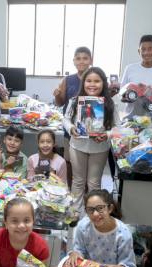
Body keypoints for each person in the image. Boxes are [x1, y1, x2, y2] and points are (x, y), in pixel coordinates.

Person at [47, 189, 136, 267]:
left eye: (100, 208)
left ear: (109, 208)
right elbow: (78, 249)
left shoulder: (123, 233)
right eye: (90, 210)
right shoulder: (83, 225)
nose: (95, 214)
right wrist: (75, 254)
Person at [63, 67, 120, 213]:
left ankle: (93, 213)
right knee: (78, 181)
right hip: (77, 146)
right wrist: (71, 129)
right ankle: (75, 213)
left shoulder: (110, 103)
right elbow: (66, 119)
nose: (92, 84)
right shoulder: (75, 101)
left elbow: (117, 127)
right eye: (88, 81)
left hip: (99, 148)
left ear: (103, 83)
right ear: (83, 83)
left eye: (97, 81)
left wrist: (106, 135)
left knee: (94, 183)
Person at [53, 46, 92, 185]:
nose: (81, 61)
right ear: (74, 61)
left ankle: (87, 193)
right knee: (69, 161)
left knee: (87, 163)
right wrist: (57, 95)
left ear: (91, 60)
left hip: (90, 129)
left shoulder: (95, 77)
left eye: (85, 58)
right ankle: (69, 188)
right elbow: (59, 103)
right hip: (70, 129)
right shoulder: (67, 80)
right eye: (78, 58)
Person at [120, 34, 152, 119]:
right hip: (131, 117)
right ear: (138, 51)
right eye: (143, 49)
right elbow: (122, 91)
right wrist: (129, 96)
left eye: (150, 49)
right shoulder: (130, 68)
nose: (146, 52)